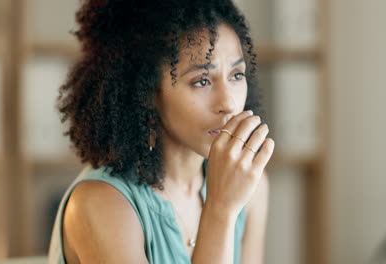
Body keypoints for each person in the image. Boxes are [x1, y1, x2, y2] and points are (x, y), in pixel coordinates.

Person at [48, 0, 274, 263]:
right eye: (202, 81)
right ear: (147, 92)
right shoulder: (100, 204)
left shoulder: (251, 185)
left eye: (236, 75)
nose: (229, 103)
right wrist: (221, 210)